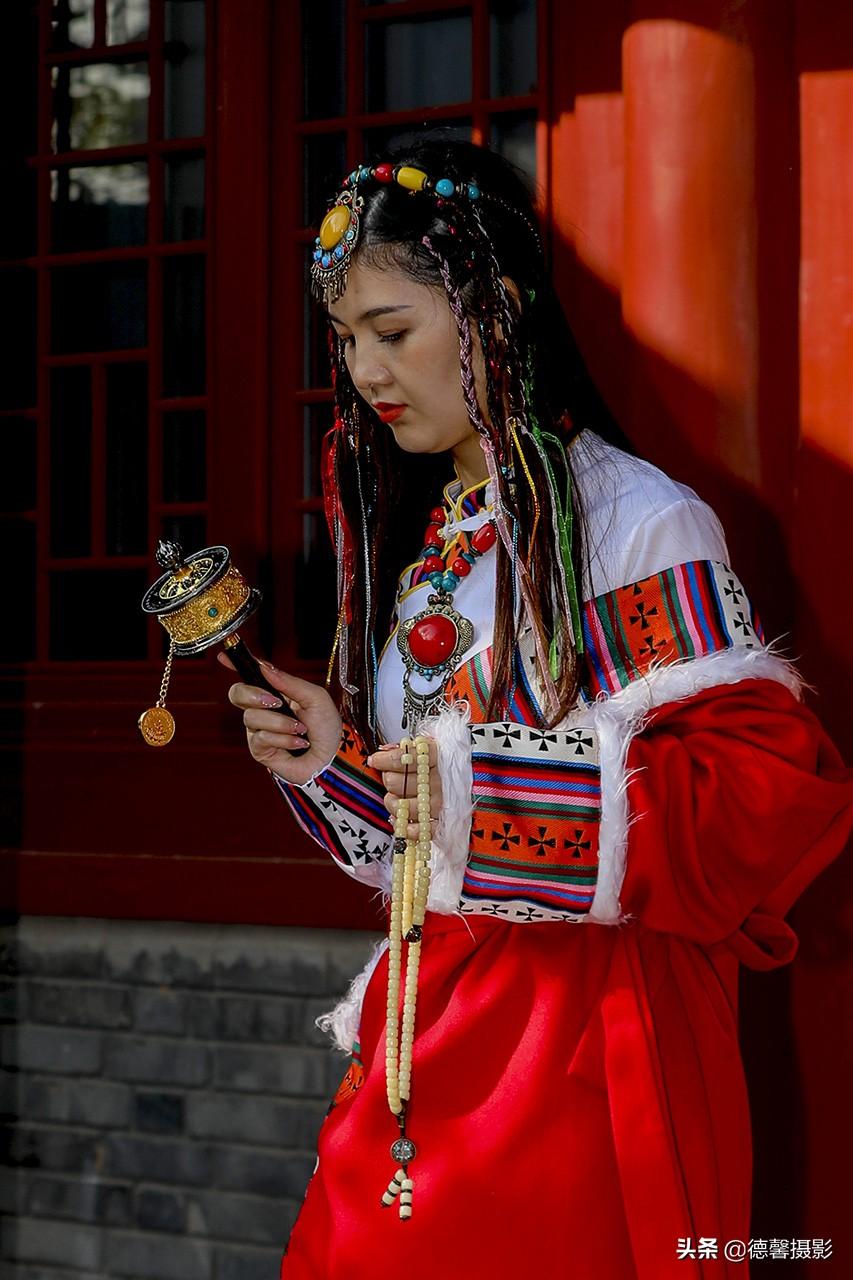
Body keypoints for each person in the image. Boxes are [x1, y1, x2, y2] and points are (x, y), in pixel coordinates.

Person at [221, 140, 853, 1278]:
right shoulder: (442, 537)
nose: (365, 371)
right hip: (435, 1015)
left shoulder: (633, 519)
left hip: (582, 1038)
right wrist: (333, 761)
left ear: (496, 307)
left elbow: (758, 796)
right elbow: (437, 838)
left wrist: (479, 787)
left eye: (392, 330)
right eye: (346, 338)